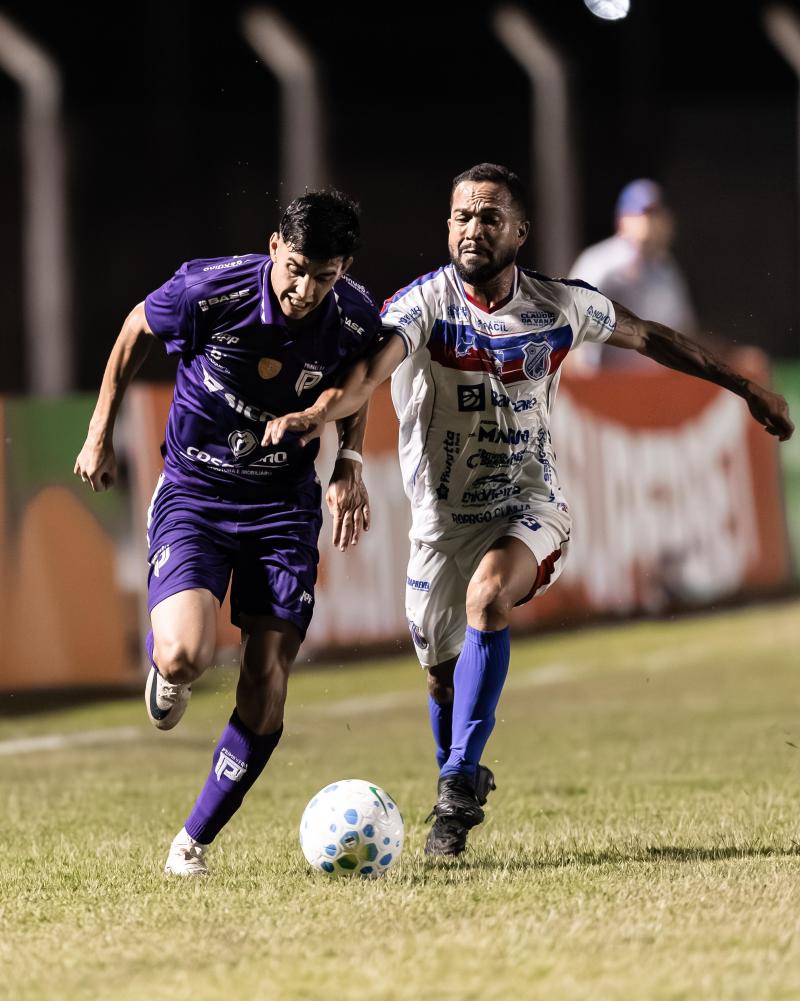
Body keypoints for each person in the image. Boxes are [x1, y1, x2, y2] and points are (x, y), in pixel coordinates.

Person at [262, 163, 794, 857]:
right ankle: (455, 788)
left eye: (490, 217)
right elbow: (367, 372)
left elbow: (651, 336)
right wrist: (320, 416)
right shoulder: (421, 305)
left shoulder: (560, 305)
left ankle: (458, 779)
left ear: (520, 231)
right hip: (438, 526)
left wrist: (746, 388)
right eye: (462, 216)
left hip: (529, 508)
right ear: (447, 227)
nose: (473, 229)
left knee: (488, 597)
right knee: (440, 675)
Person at [75, 189, 383, 875]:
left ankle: (192, 841)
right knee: (187, 654)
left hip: (283, 509)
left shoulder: (355, 316)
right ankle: (167, 668)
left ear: (344, 270)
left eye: (324, 276)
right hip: (197, 493)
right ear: (275, 247)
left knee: (267, 677)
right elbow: (135, 328)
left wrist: (349, 461)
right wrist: (100, 433)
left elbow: (359, 382)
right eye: (296, 268)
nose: (305, 290)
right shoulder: (208, 290)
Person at [568, 178, 697, 371]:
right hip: (606, 383)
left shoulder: (666, 268)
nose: (654, 221)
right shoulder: (600, 263)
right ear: (622, 219)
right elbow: (570, 327)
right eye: (646, 213)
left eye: (658, 213)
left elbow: (685, 330)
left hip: (656, 382)